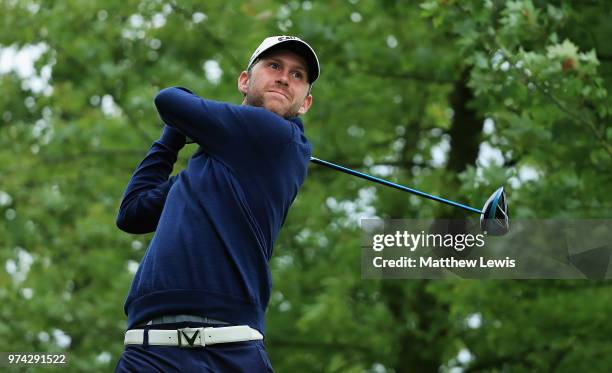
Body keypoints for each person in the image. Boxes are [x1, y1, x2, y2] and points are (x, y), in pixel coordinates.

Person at [114, 35, 320, 372]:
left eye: (298, 75)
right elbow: (132, 212)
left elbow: (169, 99)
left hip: (229, 352)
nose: (285, 77)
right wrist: (173, 134)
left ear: (305, 104)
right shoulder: (208, 170)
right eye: (273, 66)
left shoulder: (277, 135)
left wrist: (181, 120)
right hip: (149, 351)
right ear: (244, 81)